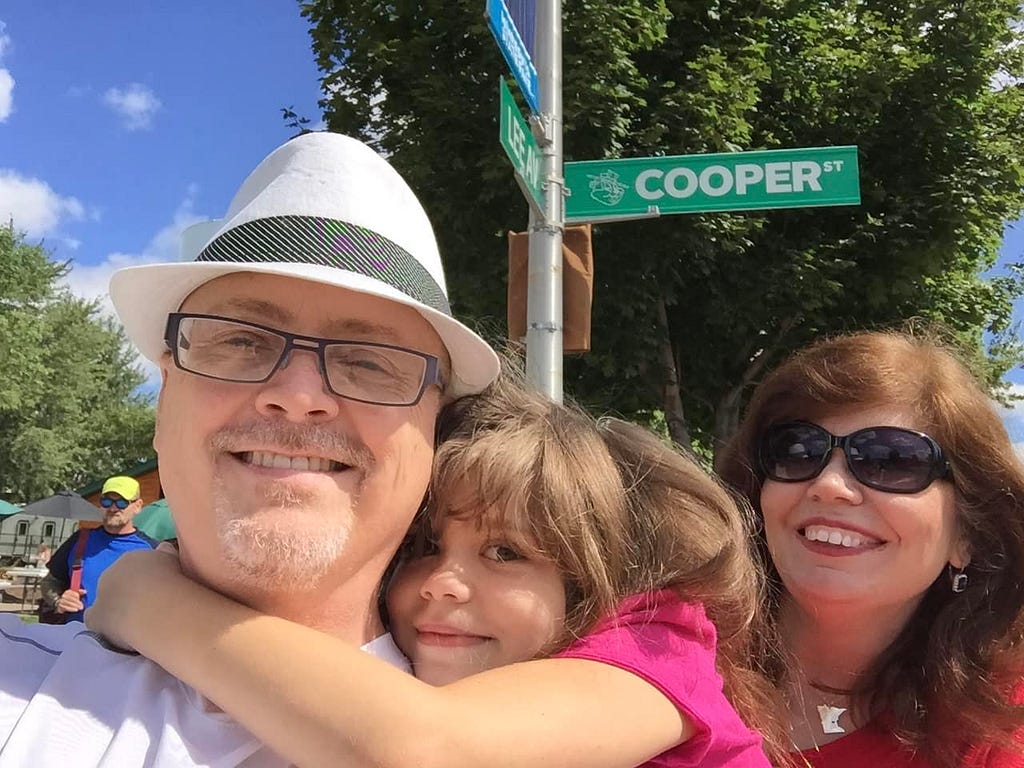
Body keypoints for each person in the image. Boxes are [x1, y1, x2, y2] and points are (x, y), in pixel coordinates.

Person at [0, 131, 500, 766]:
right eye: (240, 341)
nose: (297, 396)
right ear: (163, 399)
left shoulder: (549, 727)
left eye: (372, 362)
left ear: (437, 426)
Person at [87, 371, 789, 767]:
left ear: (586, 584)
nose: (443, 583)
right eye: (422, 547)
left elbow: (419, 752)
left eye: (507, 553)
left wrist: (144, 599)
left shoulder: (660, 644)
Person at [716, 330, 1024, 767]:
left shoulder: (997, 728)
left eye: (891, 460)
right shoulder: (660, 649)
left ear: (968, 536)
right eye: (798, 450)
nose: (827, 485)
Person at [39, 475, 157, 622]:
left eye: (121, 503)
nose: (113, 508)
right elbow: (49, 582)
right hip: (77, 636)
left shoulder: (152, 551)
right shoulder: (80, 540)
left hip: (125, 642)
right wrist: (59, 601)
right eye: (107, 501)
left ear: (138, 506)